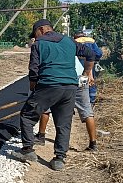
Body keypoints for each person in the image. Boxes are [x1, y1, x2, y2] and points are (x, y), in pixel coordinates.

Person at [14, 19, 95, 171]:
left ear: (42, 30)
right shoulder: (69, 42)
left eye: (35, 33)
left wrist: (33, 88)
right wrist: (86, 73)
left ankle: (28, 150)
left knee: (27, 115)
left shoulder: (38, 44)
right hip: (70, 88)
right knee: (63, 124)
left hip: (48, 86)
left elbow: (33, 70)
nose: (35, 37)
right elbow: (91, 54)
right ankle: (59, 159)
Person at [36, 56, 99, 152]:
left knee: (47, 105)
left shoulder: (54, 49)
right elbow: (91, 56)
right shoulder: (72, 46)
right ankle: (93, 144)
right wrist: (88, 73)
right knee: (86, 109)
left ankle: (41, 136)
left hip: (64, 78)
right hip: (81, 78)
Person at [74, 30, 103, 106]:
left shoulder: (75, 41)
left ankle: (81, 99)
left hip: (79, 63)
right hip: (91, 62)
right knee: (91, 80)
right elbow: (99, 53)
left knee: (80, 81)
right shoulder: (91, 40)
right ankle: (92, 99)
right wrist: (95, 59)